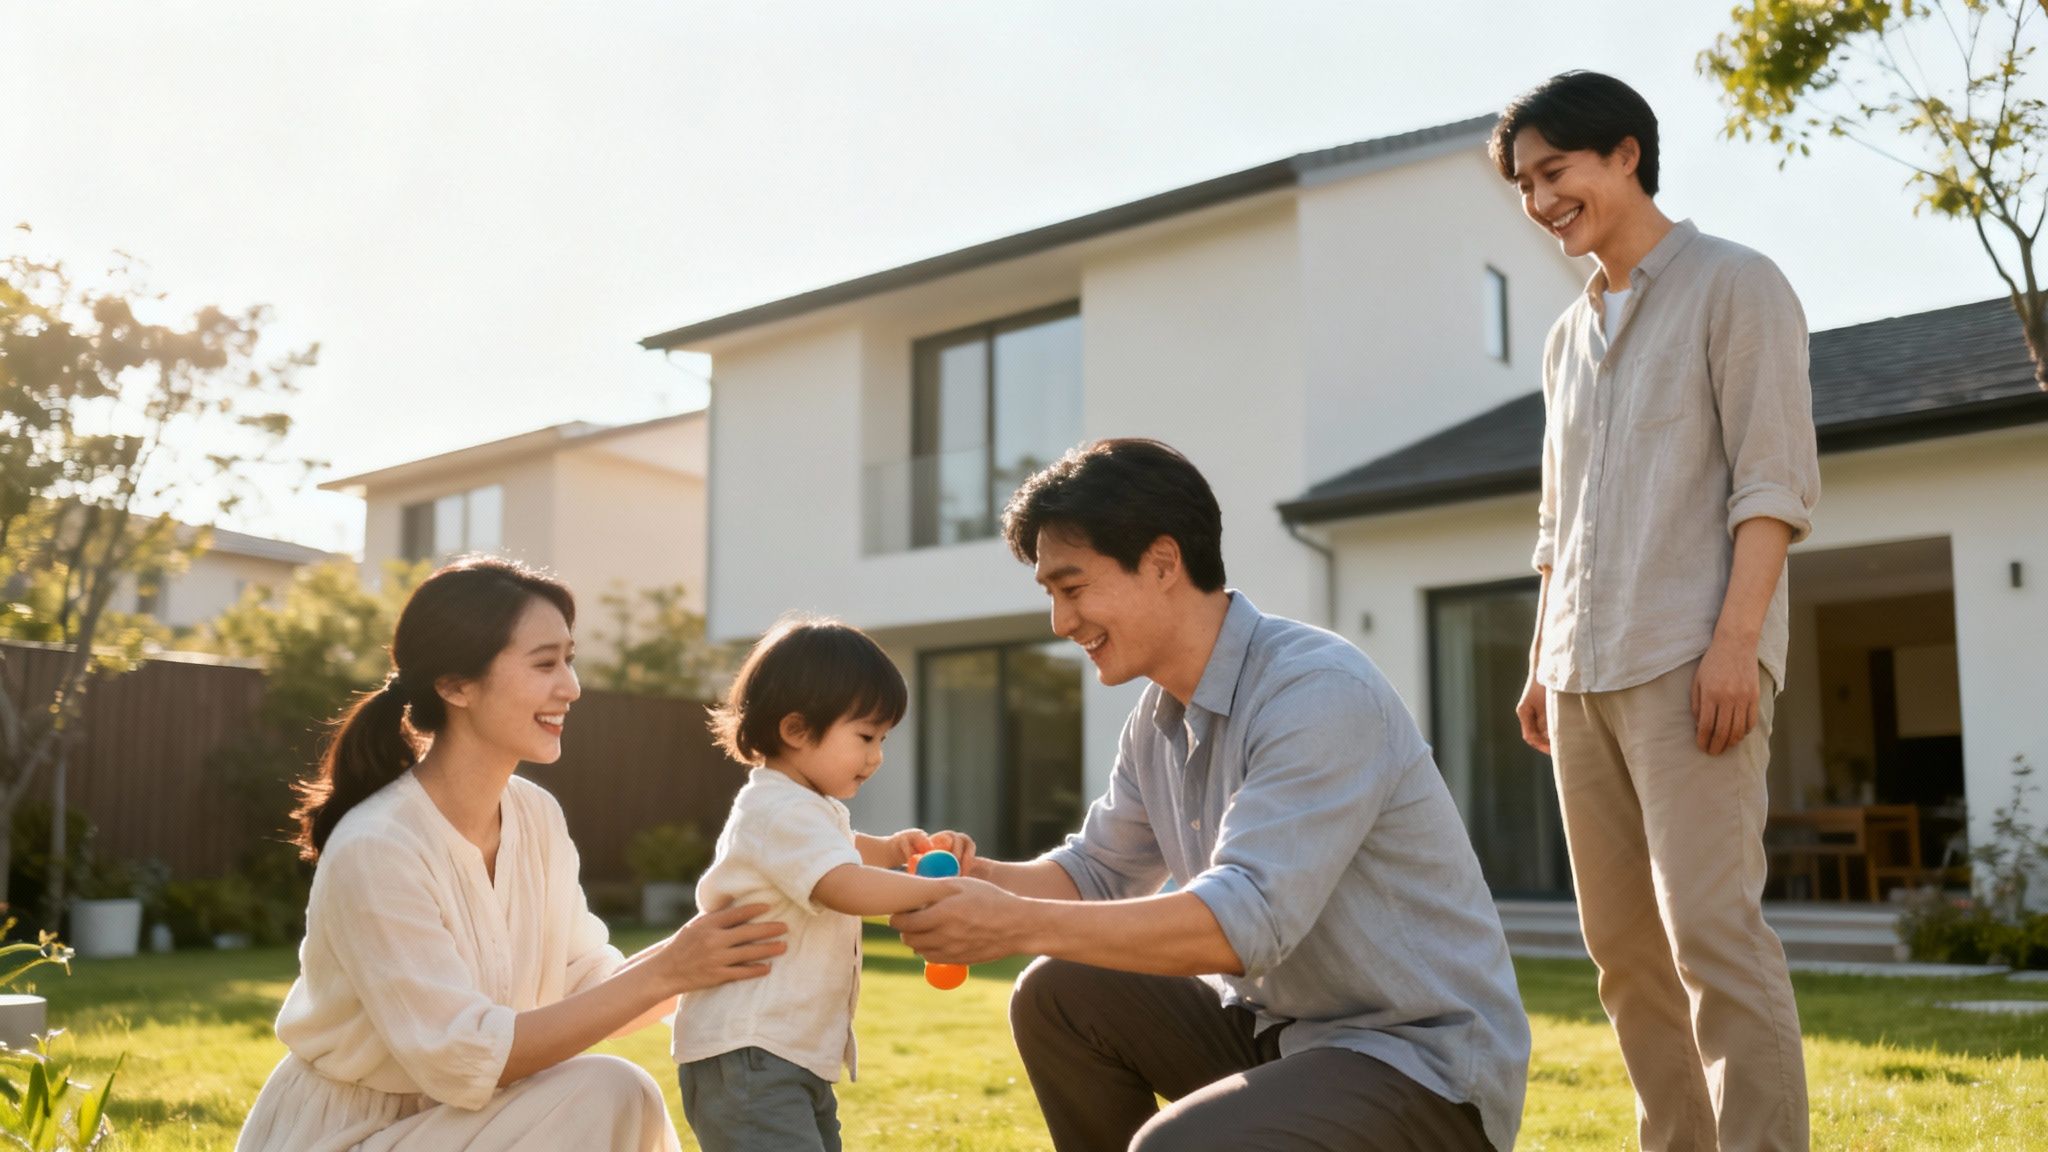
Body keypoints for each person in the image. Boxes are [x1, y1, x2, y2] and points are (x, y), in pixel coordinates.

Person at [890, 439, 1528, 1152]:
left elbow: (1242, 921)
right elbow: (1094, 875)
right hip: (1277, 1035)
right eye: (1051, 596)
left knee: (1178, 1146)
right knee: (1057, 993)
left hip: (1418, 1066)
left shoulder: (1317, 690)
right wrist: (961, 878)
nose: (1061, 624)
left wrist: (1011, 923)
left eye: (1072, 589)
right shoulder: (1157, 718)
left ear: (1163, 562)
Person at [1494, 71, 1821, 1150]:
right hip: (1581, 676)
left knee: (1710, 937)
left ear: (1624, 153)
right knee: (1623, 956)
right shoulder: (1561, 342)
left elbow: (1770, 487)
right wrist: (1542, 660)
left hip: (1690, 662)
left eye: (1555, 172)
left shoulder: (1738, 285)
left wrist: (1734, 648)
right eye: (1525, 186)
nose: (1540, 202)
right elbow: (1558, 523)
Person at [236, 556, 787, 1152]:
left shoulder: (535, 816)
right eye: (545, 663)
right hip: (349, 1134)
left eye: (569, 660)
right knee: (610, 1091)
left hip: (474, 1121)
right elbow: (463, 1057)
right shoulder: (377, 847)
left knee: (614, 1091)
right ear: (455, 685)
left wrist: (731, 943)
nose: (571, 687)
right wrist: (670, 969)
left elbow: (588, 987)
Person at [673, 615, 969, 1152]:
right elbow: (841, 885)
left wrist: (897, 851)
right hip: (751, 1052)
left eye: (882, 738)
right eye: (865, 737)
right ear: (796, 730)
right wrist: (942, 893)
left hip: (785, 1049)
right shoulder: (777, 809)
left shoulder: (808, 810)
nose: (877, 756)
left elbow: (845, 851)